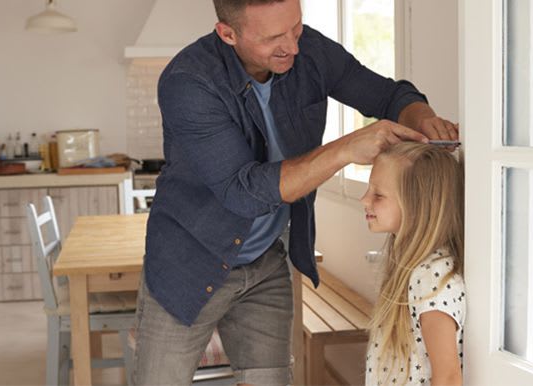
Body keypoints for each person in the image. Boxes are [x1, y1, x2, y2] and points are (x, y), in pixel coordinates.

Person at [132, 0, 459, 384]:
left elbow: (389, 96)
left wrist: (425, 120)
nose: (293, 46)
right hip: (189, 263)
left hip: (266, 262)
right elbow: (243, 190)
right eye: (273, 38)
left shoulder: (309, 52)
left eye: (296, 28)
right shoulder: (188, 81)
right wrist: (345, 148)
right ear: (228, 34)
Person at [359, 142, 465, 386]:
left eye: (378, 195)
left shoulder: (431, 277)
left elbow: (448, 377)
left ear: (417, 206)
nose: (364, 199)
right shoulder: (411, 269)